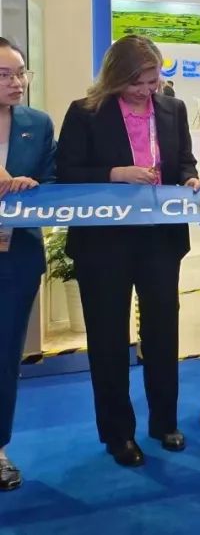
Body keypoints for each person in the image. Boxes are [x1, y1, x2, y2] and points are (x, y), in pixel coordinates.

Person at [56, 35, 200, 466]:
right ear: (116, 78)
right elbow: (66, 172)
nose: (147, 91)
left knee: (163, 332)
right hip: (104, 243)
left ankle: (165, 422)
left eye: (153, 81)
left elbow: (184, 160)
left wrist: (189, 178)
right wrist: (116, 173)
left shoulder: (172, 109)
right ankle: (118, 434)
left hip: (160, 239)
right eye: (138, 83)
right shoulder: (85, 112)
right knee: (108, 339)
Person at [0, 39, 55, 491]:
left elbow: (54, 182)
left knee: (4, 356)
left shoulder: (37, 124)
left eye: (20, 72)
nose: (16, 82)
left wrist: (30, 187)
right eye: (4, 75)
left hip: (15, 257)